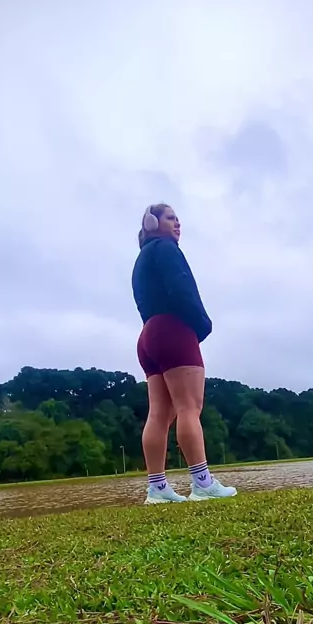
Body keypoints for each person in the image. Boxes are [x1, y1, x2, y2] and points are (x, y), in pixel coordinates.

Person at [132, 203, 237, 504]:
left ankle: (157, 488)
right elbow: (183, 290)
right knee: (189, 407)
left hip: (148, 334)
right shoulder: (166, 249)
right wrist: (202, 325)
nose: (178, 223)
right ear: (152, 223)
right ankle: (203, 483)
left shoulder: (141, 259)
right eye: (170, 218)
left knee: (159, 414)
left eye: (178, 219)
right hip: (173, 330)